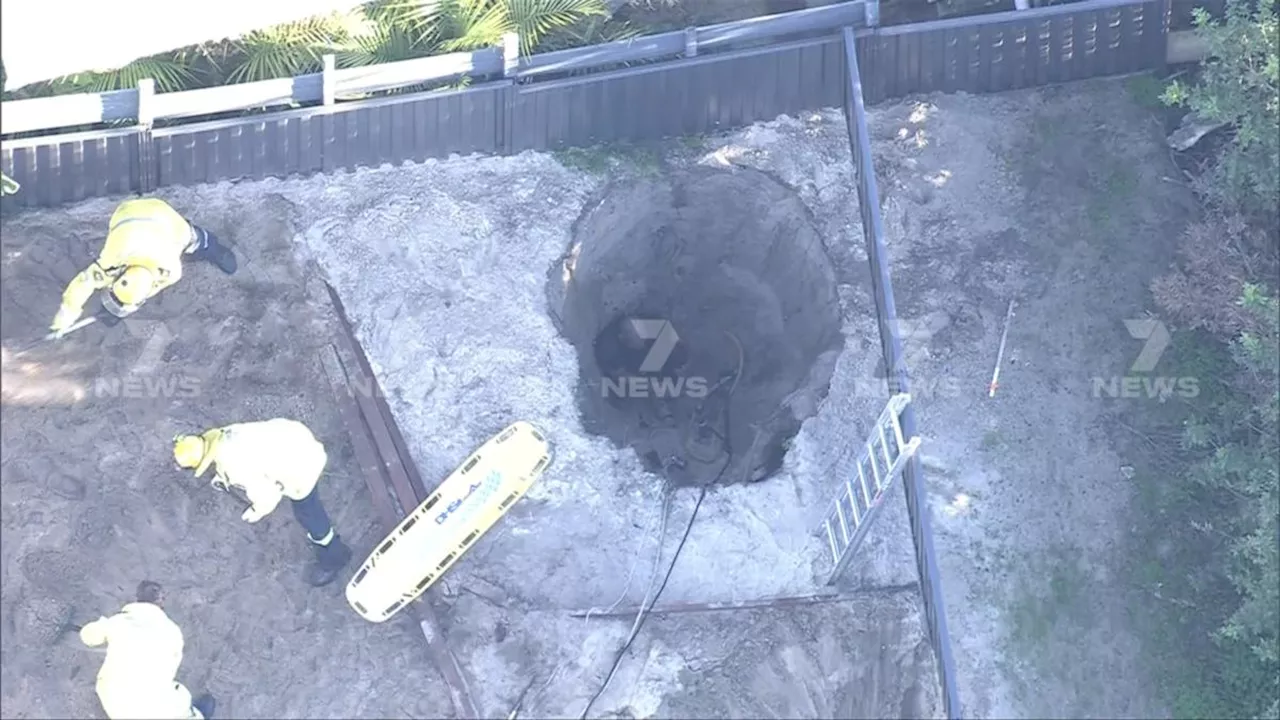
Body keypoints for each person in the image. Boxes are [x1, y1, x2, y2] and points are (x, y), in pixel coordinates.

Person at [172, 418, 353, 587]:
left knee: (308, 513)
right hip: (297, 438)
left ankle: (334, 556)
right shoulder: (227, 433)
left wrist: (257, 510)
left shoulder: (236, 467)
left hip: (301, 466)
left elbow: (268, 495)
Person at [48, 197, 237, 338]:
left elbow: (84, 284)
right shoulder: (113, 257)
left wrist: (64, 322)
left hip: (162, 217)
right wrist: (62, 321)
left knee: (193, 239)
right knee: (175, 242)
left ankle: (213, 247)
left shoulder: (172, 270)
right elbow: (84, 284)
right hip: (131, 212)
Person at [79, 580, 215, 720]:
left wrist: (104, 625)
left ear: (138, 598)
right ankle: (197, 715)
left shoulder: (117, 621)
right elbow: (170, 669)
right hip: (148, 708)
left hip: (111, 697)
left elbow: (86, 637)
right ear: (162, 600)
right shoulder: (173, 632)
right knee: (181, 699)